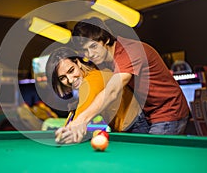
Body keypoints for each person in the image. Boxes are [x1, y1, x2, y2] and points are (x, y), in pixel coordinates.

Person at [55, 17, 189, 143]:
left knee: (150, 160)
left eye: (93, 46)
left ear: (106, 39)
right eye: (85, 50)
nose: (90, 55)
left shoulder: (130, 51)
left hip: (169, 110)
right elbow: (95, 82)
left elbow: (112, 91)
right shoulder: (103, 60)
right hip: (149, 113)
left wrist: (82, 119)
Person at [45, 47, 149, 143]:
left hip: (135, 127)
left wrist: (68, 131)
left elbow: (80, 120)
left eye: (71, 70)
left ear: (78, 62)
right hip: (129, 125)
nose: (71, 79)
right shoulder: (94, 73)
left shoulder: (89, 82)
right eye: (63, 77)